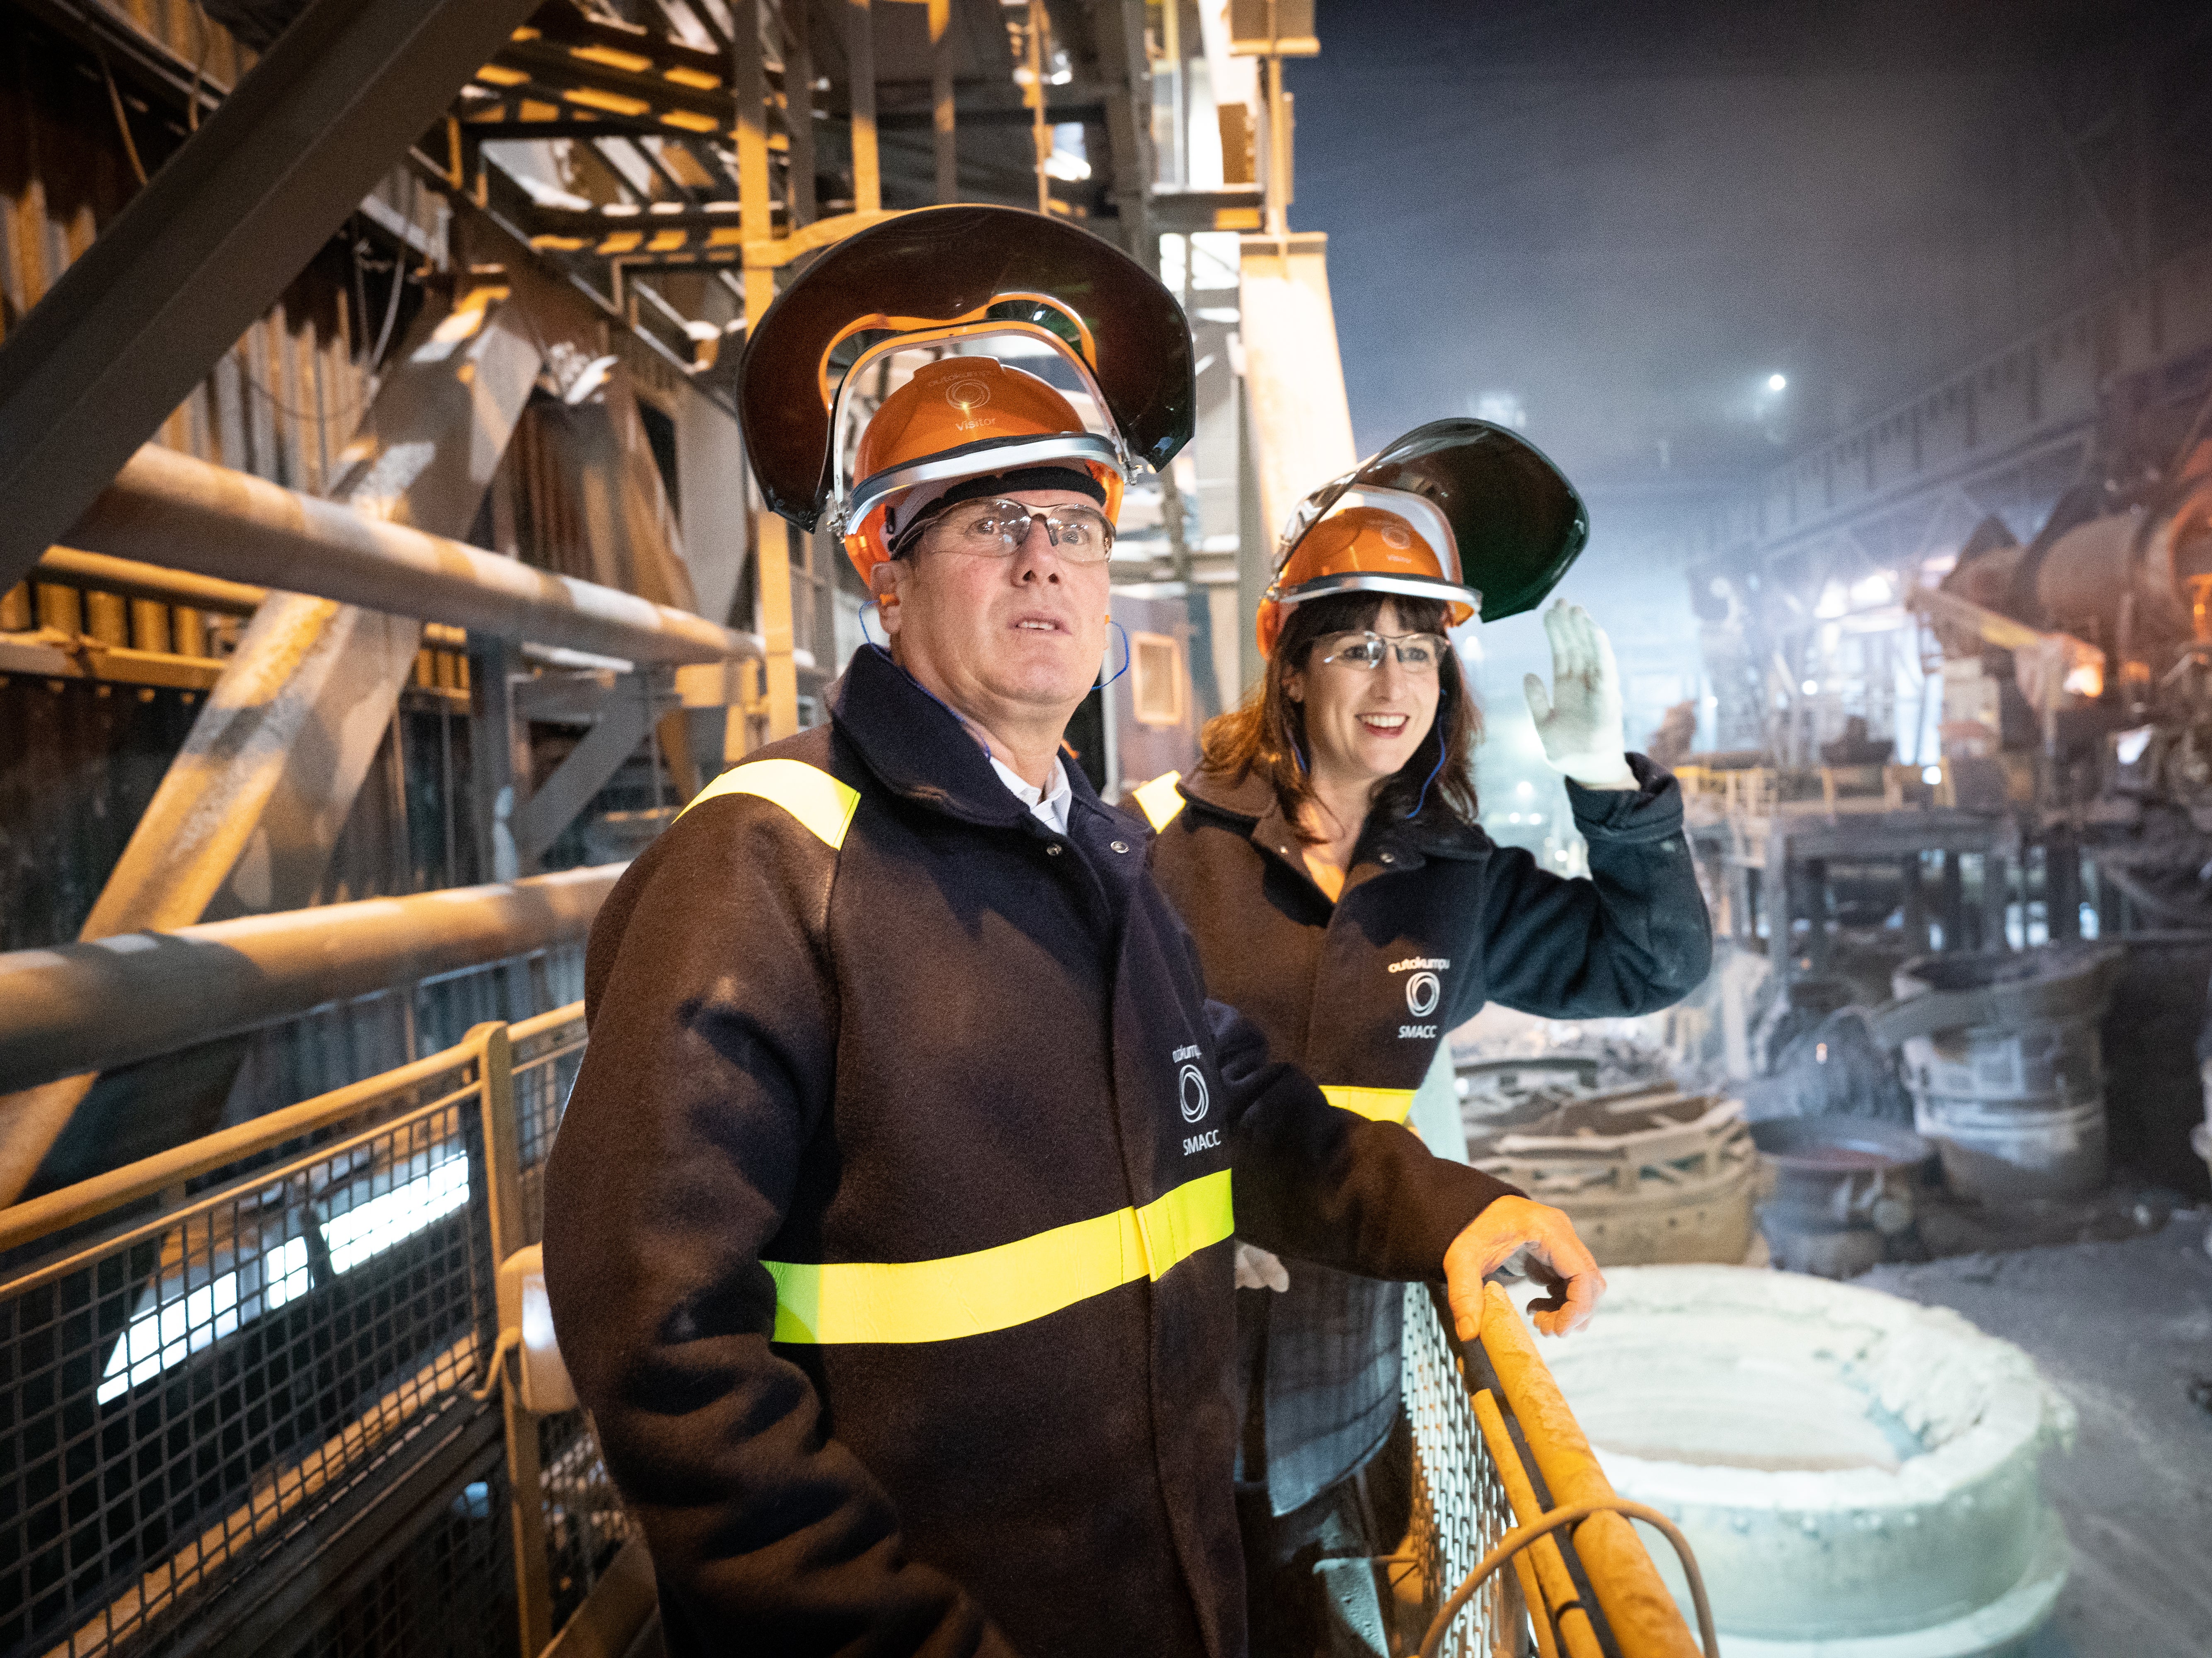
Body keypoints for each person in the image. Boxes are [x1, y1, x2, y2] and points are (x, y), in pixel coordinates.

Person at [540, 206, 1606, 1658]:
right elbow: (665, 1349)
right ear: (886, 571)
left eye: (1077, 528)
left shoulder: (1096, 853)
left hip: (1160, 1592)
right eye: (990, 522)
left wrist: (1455, 1213)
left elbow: (1231, 1094)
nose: (1046, 562)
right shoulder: (769, 861)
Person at [1137, 420, 1714, 1654]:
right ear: (1290, 669)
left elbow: (1653, 962)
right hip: (1152, 1402)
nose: (1396, 683)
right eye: (1358, 648)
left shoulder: (1450, 885)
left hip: (1340, 1412)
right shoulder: (1159, 857)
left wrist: (1605, 781)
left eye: (1421, 650)